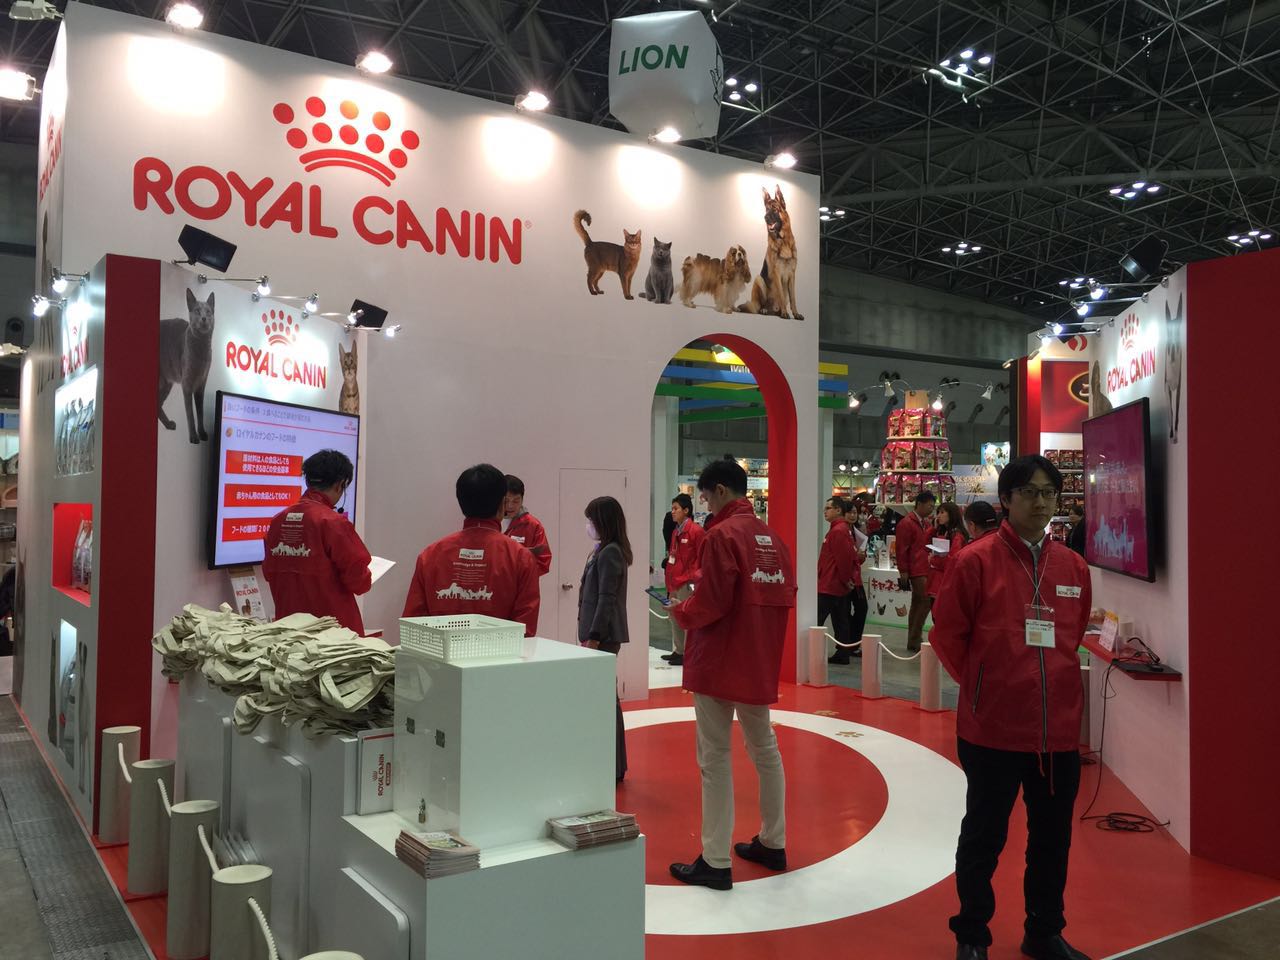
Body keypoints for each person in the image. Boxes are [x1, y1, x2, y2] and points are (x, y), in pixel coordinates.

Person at [929, 456, 1093, 960]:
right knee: (984, 836)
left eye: (1049, 493)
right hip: (992, 730)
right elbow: (947, 635)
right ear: (1006, 499)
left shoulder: (1073, 566)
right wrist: (983, 687)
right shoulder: (975, 561)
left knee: (1052, 840)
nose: (1041, 502)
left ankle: (1043, 931)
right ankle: (972, 934)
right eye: (1029, 492)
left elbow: (1072, 634)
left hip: (1056, 733)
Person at [667, 459, 797, 891]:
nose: (704, 504)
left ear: (720, 490)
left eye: (705, 496)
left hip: (720, 659)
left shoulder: (721, 536)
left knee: (715, 757)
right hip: (758, 657)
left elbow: (712, 602)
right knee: (765, 749)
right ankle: (773, 842)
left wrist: (681, 612)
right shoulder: (773, 538)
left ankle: (715, 860)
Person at [403, 464, 541, 636]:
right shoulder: (521, 558)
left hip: (439, 653)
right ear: (501, 505)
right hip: (501, 653)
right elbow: (525, 631)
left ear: (461, 502)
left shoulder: (430, 555)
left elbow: (413, 625)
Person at [263, 450, 371, 634]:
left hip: (289, 632)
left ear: (308, 481)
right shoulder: (333, 523)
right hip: (334, 635)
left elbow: (268, 573)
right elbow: (360, 582)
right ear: (340, 484)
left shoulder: (277, 521)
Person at [577, 496, 632, 782]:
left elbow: (606, 598)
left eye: (591, 520)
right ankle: (610, 763)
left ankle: (613, 764)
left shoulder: (610, 552)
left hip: (603, 636)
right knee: (603, 698)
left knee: (606, 701)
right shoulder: (604, 550)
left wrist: (594, 636)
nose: (588, 525)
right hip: (597, 635)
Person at [662, 493, 704, 666]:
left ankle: (687, 652)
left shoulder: (696, 531)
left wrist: (693, 577)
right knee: (674, 616)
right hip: (674, 580)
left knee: (686, 616)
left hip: (687, 582)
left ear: (686, 510)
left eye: (676, 509)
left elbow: (702, 557)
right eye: (672, 508)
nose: (672, 512)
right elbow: (673, 556)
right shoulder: (675, 532)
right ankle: (678, 650)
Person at [819, 496, 858, 665]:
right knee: (840, 619)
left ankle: (814, 651)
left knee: (818, 618)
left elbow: (843, 560)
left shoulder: (838, 531)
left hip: (831, 583)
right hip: (835, 582)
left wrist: (845, 579)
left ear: (838, 510)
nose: (825, 512)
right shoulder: (840, 529)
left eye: (828, 508)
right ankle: (843, 653)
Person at [896, 490, 936, 651]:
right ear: (920, 504)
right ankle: (915, 637)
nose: (932, 509)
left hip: (924, 568)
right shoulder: (906, 523)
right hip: (916, 569)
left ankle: (913, 639)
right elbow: (901, 549)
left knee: (918, 603)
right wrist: (903, 571)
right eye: (930, 506)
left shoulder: (925, 523)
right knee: (925, 601)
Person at [502, 475, 553, 576]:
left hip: (521, 583)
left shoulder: (533, 525)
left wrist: (518, 574)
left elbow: (544, 562)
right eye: (506, 501)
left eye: (516, 501)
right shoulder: (489, 523)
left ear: (522, 500)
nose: (510, 506)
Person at [926, 502, 970, 602]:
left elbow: (952, 561)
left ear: (952, 514)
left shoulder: (957, 535)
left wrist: (933, 560)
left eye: (942, 512)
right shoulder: (942, 531)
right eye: (938, 512)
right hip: (938, 578)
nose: (938, 516)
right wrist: (933, 528)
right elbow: (924, 543)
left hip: (948, 580)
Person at [842, 500, 869, 661]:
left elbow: (859, 560)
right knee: (843, 613)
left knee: (861, 609)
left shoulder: (857, 532)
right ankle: (846, 646)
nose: (853, 515)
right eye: (849, 512)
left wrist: (861, 556)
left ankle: (853, 644)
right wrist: (855, 556)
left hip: (856, 577)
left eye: (855, 512)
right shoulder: (841, 531)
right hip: (844, 578)